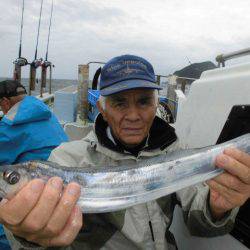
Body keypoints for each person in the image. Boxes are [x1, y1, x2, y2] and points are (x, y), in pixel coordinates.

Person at [2, 55, 250, 249]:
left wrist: (218, 208)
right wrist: (30, 238)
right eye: (120, 102)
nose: (133, 116)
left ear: (157, 103)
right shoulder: (67, 159)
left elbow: (199, 223)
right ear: (102, 107)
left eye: (143, 101)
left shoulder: (174, 149)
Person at [0, 79, 68, 249]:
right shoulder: (47, 113)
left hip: (39, 192)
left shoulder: (9, 127)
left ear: (5, 102)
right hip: (64, 178)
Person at [0, 80, 68, 164]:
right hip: (65, 162)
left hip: (43, 173)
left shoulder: (8, 127)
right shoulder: (45, 112)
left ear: (5, 102)